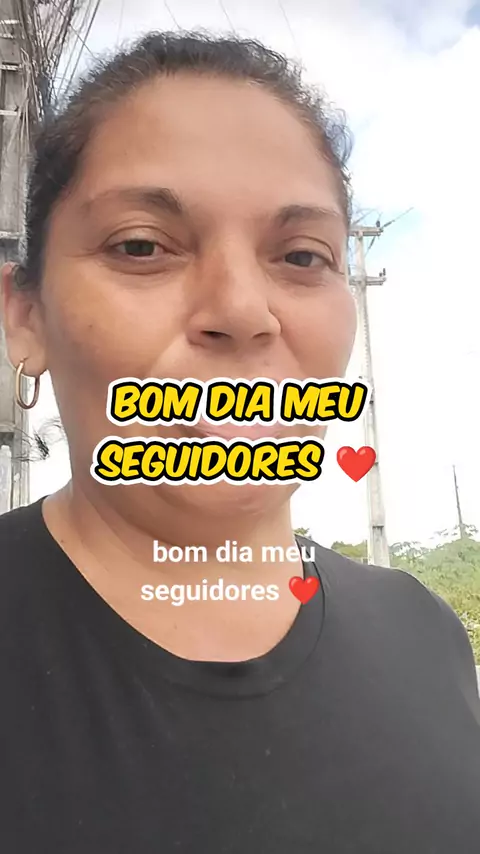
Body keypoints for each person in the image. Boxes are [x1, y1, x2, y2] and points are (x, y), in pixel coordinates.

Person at [0, 30, 479, 854]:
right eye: (141, 245)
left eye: (302, 256)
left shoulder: (425, 635)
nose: (242, 312)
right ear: (26, 316)